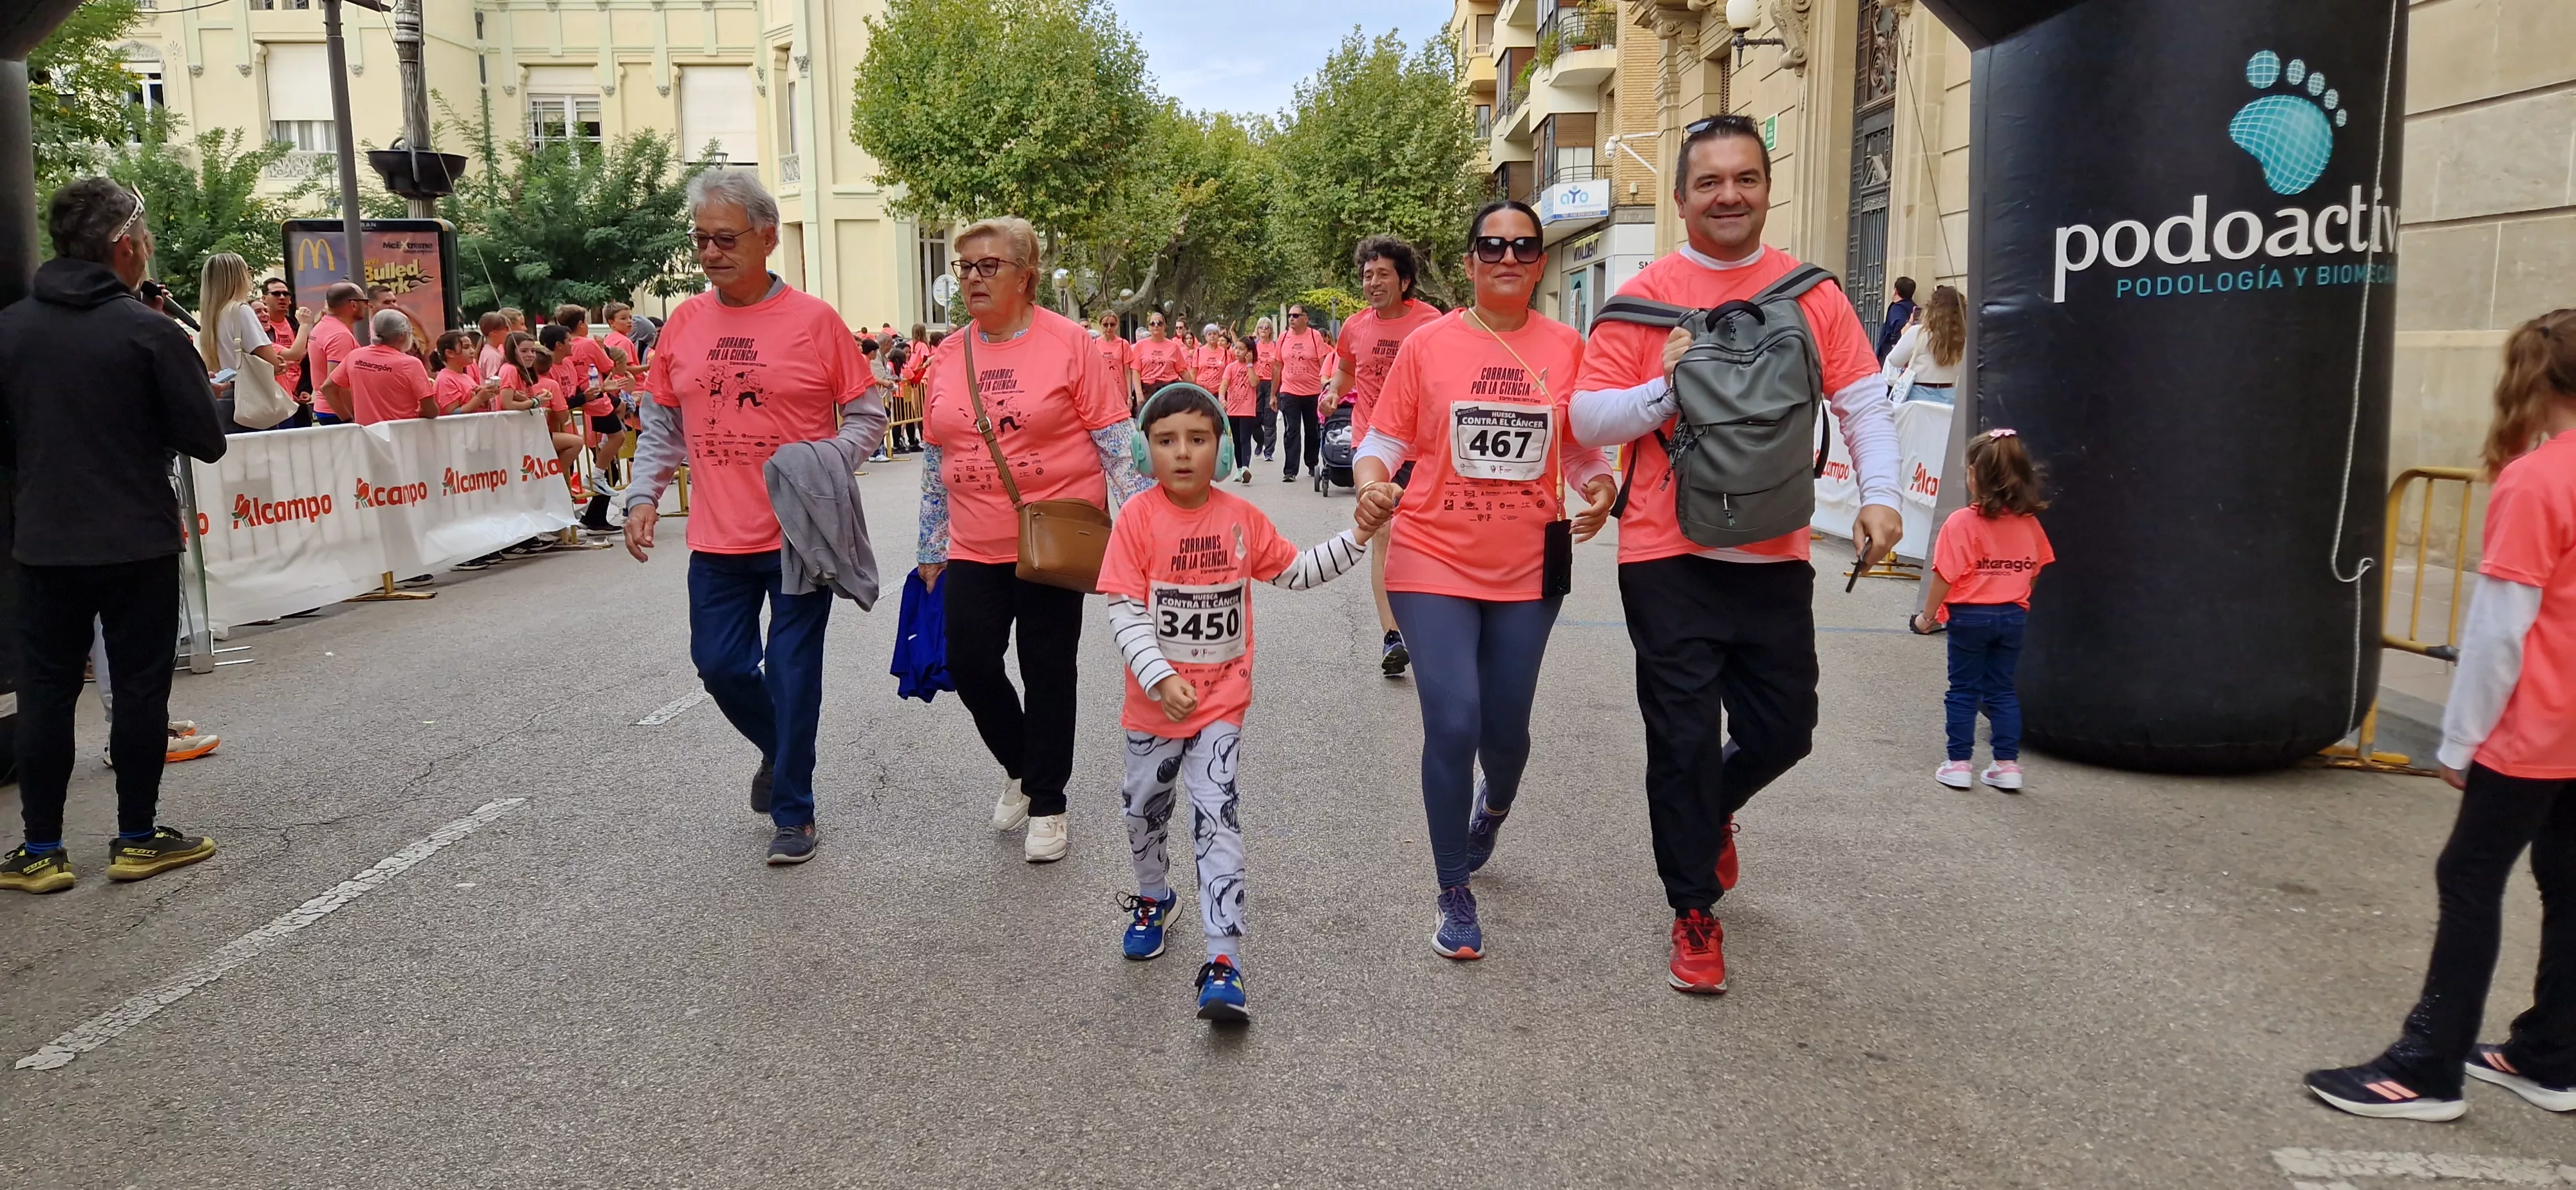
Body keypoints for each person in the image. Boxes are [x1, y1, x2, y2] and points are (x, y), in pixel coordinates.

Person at [1569, 114, 1903, 994]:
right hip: (1664, 552)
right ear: (1681, 199)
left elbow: (1863, 399)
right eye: (1710, 182)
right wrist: (1666, 383)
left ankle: (1709, 811)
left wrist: (1881, 497)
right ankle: (1692, 910)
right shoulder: (1642, 299)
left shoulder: (1810, 294)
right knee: (1680, 738)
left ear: (1766, 189)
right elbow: (1588, 418)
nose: (1729, 195)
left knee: (1784, 731)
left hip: (1773, 550)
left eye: (1745, 179)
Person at [2304, 308, 2576, 1122]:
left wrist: (2459, 740)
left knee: (2469, 878)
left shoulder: (2536, 480)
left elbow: (2498, 633)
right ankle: (2552, 1055)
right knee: (2567, 878)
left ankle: (2427, 1068)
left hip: (2532, 726)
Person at [1352, 200, 1617, 960]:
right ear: (1468, 262)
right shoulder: (1429, 345)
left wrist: (1599, 484)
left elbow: (1579, 447)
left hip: (1528, 567)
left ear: (1540, 262)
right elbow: (1384, 438)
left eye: (1523, 247)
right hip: (1430, 557)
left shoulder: (1567, 347)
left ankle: (1494, 805)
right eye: (1491, 246)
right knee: (1454, 720)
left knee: (1505, 734)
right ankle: (1452, 891)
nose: (1507, 258)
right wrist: (1371, 482)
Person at [621, 170, 887, 865]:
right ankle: (780, 749)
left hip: (799, 535)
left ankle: (794, 813)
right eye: (701, 239)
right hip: (717, 537)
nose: (710, 252)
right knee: (720, 666)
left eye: (725, 238)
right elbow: (662, 422)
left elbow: (867, 417)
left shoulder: (815, 321)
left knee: (794, 675)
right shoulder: (684, 323)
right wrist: (644, 496)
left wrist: (825, 460)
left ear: (767, 238)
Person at [1102, 384, 1390, 1021]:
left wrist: (1359, 534)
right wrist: (1159, 678)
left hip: (1220, 706)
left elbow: (1298, 570)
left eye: (1198, 439)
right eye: (1166, 441)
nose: (1182, 453)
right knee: (1142, 808)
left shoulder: (1241, 519)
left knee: (1218, 819)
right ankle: (1154, 896)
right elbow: (1123, 610)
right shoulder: (1136, 520)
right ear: (1144, 452)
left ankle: (1223, 962)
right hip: (1153, 708)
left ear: (1223, 449)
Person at [0, 178, 229, 895]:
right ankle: (136, 837)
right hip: (136, 537)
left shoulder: (9, 329)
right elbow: (206, 439)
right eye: (146, 239)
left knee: (45, 692)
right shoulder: (149, 331)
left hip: (44, 539)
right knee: (138, 689)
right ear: (125, 246)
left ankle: (40, 849)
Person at [916, 215, 1144, 864]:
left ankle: (1047, 802)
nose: (973, 278)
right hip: (973, 543)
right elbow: (936, 458)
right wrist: (930, 545)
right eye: (965, 267)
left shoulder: (1071, 344)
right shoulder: (948, 354)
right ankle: (1020, 766)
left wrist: (1144, 533)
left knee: (1047, 670)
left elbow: (1117, 448)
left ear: (1026, 276)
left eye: (988, 266)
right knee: (970, 665)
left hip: (1055, 539)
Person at [1908, 430, 2051, 791]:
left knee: (1963, 690)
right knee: (2001, 689)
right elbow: (2036, 568)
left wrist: (1928, 617)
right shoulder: (2030, 524)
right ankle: (2006, 764)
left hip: (1970, 616)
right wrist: (2018, 597)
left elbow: (1945, 576)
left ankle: (1959, 762)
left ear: (1975, 475)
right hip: (2012, 615)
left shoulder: (1961, 523)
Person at [1332, 236, 1444, 676]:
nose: (1373, 283)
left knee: (1426, 539)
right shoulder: (1355, 327)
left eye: (1382, 274)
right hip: (1374, 447)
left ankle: (1432, 620)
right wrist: (1332, 392)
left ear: (1405, 281)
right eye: (1367, 275)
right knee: (1384, 533)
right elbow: (1345, 371)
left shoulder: (1430, 323)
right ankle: (1393, 635)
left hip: (1423, 448)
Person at [194, 252, 286, 433]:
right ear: (237, 276)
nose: (250, 276)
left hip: (223, 396)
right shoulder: (240, 311)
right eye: (247, 271)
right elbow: (271, 361)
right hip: (249, 398)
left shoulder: (211, 316)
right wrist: (279, 364)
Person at [322, 310, 440, 424]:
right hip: (401, 433)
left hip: (367, 433)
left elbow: (327, 389)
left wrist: (348, 421)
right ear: (402, 335)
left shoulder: (355, 356)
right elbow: (431, 411)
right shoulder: (410, 364)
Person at [1274, 304, 1332, 482]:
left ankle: (1312, 464)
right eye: (1290, 315)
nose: (1292, 318)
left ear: (1305, 319)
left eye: (1296, 316)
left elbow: (1324, 363)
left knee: (1312, 430)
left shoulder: (1315, 337)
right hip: (1289, 391)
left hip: (1313, 392)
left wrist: (1328, 388)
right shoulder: (1283, 337)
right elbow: (1277, 366)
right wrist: (1273, 394)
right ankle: (1290, 470)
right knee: (1292, 430)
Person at [1884, 284, 1965, 402]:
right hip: (1950, 396)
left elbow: (1894, 360)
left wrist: (1904, 335)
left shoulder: (1918, 332)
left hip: (1918, 397)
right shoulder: (1962, 337)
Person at [255, 277, 314, 424]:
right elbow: (294, 355)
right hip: (275, 400)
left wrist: (306, 389)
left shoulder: (295, 326)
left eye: (286, 294)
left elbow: (306, 361)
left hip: (298, 399)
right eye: (276, 294)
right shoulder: (260, 330)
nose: (282, 297)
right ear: (264, 299)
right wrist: (305, 324)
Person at [307, 281, 366, 424]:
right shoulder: (340, 335)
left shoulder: (323, 326)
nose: (366, 306)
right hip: (337, 412)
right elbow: (338, 385)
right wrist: (351, 419)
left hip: (327, 409)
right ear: (354, 304)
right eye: (364, 301)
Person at [1219, 337, 1260, 483]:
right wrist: (1222, 398)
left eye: (1242, 349)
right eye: (1236, 348)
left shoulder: (1255, 366)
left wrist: (1249, 365)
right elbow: (1224, 384)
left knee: (1245, 439)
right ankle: (1239, 469)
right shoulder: (1230, 367)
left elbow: (1254, 383)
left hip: (1247, 409)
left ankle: (1245, 468)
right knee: (1236, 440)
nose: (1237, 351)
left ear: (1249, 352)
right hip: (1233, 409)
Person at [432, 330, 499, 414]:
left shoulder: (466, 377)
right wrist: (479, 398)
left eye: (471, 347)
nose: (473, 351)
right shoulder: (445, 380)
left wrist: (484, 396)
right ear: (450, 353)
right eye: (466, 347)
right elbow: (452, 414)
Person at [1133, 312, 1187, 408]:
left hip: (1169, 390)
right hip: (1148, 390)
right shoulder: (1140, 345)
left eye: (1159, 323)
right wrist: (1139, 394)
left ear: (1165, 326)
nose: (1156, 326)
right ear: (1149, 327)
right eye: (1153, 323)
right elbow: (1136, 372)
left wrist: (1196, 390)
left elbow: (1183, 372)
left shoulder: (1174, 347)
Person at [1094, 309, 1142, 409]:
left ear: (1117, 325)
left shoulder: (1123, 344)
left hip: (1120, 392)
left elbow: (1127, 372)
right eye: (1105, 325)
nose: (1109, 328)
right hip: (1102, 392)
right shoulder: (1094, 344)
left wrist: (1130, 396)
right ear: (1101, 325)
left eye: (1112, 325)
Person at [1253, 316, 1280, 460]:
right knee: (1255, 419)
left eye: (1266, 327)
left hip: (1272, 383)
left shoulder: (1276, 346)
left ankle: (1269, 452)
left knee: (1270, 419)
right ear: (1257, 330)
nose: (1264, 329)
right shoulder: (1254, 345)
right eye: (1261, 327)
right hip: (1257, 383)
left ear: (1271, 330)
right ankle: (1260, 441)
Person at [1875, 276, 1918, 361]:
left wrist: (1894, 341)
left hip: (1891, 354)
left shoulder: (1897, 308)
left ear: (1896, 291)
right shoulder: (1913, 307)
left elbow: (1899, 324)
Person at [476, 311, 512, 378]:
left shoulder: (492, 351)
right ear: (494, 332)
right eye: (506, 330)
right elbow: (493, 381)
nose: (510, 333)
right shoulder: (492, 356)